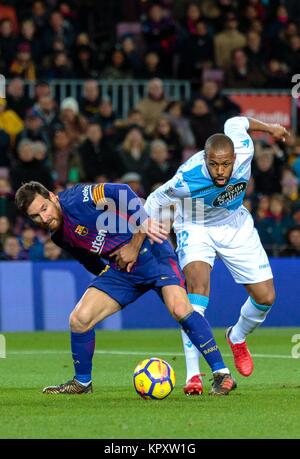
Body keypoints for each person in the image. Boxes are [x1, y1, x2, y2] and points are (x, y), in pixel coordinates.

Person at [15, 181, 236, 396]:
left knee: (179, 308)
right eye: (35, 216)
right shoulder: (59, 235)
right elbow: (87, 259)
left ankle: (221, 373)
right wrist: (106, 276)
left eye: (44, 208)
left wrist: (135, 239)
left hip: (152, 253)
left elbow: (121, 191)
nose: (43, 218)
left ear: (52, 197)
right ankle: (82, 382)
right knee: (79, 319)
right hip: (122, 269)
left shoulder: (79, 198)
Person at [144, 116, 288, 395]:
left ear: (236, 157)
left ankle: (237, 337)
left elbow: (237, 120)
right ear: (205, 159)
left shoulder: (245, 148)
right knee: (196, 292)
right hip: (195, 224)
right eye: (213, 164)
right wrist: (145, 230)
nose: (220, 171)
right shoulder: (187, 178)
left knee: (266, 297)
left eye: (225, 164)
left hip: (235, 224)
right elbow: (154, 200)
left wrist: (270, 129)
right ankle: (194, 375)